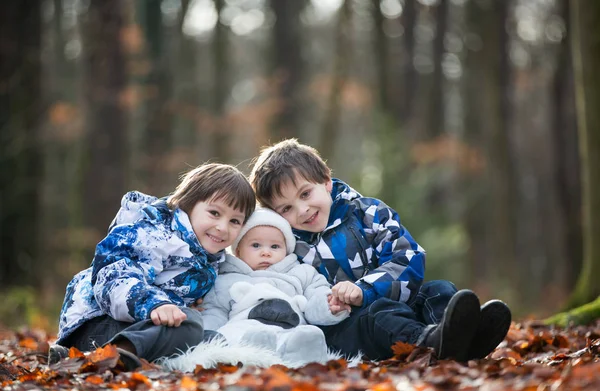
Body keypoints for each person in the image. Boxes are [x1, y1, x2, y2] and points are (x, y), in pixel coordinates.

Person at [248, 139, 512, 362]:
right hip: (350, 328)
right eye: (286, 209)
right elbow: (284, 287)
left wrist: (365, 289)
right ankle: (426, 343)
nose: (302, 210)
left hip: (398, 302)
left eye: (305, 194)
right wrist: (332, 303)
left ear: (326, 181)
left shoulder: (369, 213)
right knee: (379, 313)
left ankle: (461, 339)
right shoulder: (290, 246)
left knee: (439, 290)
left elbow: (407, 256)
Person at [49, 163, 256, 370]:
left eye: (235, 221)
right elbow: (114, 276)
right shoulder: (155, 233)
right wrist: (155, 305)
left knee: (212, 338)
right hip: (97, 323)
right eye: (214, 213)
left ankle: (83, 358)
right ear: (188, 204)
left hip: (138, 327)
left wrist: (180, 305)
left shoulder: (207, 257)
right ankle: (109, 357)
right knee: (189, 324)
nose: (222, 227)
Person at [201, 208, 349, 365]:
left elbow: (316, 296)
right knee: (242, 336)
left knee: (305, 335)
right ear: (238, 250)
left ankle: (305, 352)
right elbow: (215, 312)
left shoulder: (301, 273)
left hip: (289, 330)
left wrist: (328, 305)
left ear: (286, 249)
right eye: (256, 245)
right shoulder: (226, 279)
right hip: (243, 329)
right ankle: (253, 352)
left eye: (275, 247)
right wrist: (206, 332)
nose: (266, 252)